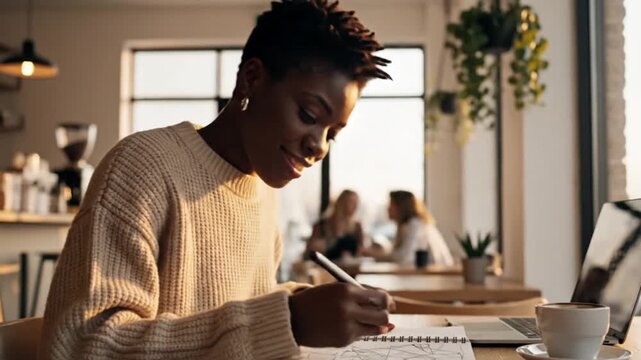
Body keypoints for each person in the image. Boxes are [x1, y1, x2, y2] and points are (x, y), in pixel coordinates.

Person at [39, 1, 395, 358]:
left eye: (333, 133)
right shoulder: (143, 168)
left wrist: (301, 301)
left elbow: (232, 309)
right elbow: (83, 345)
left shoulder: (261, 189)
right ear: (252, 78)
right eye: (308, 114)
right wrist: (290, 320)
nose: (318, 146)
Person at [365, 190, 454, 266]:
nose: (387, 208)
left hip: (438, 274)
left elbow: (404, 258)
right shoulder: (405, 225)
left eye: (391, 204)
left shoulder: (415, 225)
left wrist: (378, 255)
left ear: (400, 207)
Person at [306, 189, 364, 260]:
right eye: (352, 202)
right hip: (325, 267)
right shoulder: (322, 225)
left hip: (350, 268)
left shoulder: (357, 226)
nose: (355, 207)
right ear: (342, 203)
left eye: (356, 203)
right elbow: (311, 249)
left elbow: (361, 250)